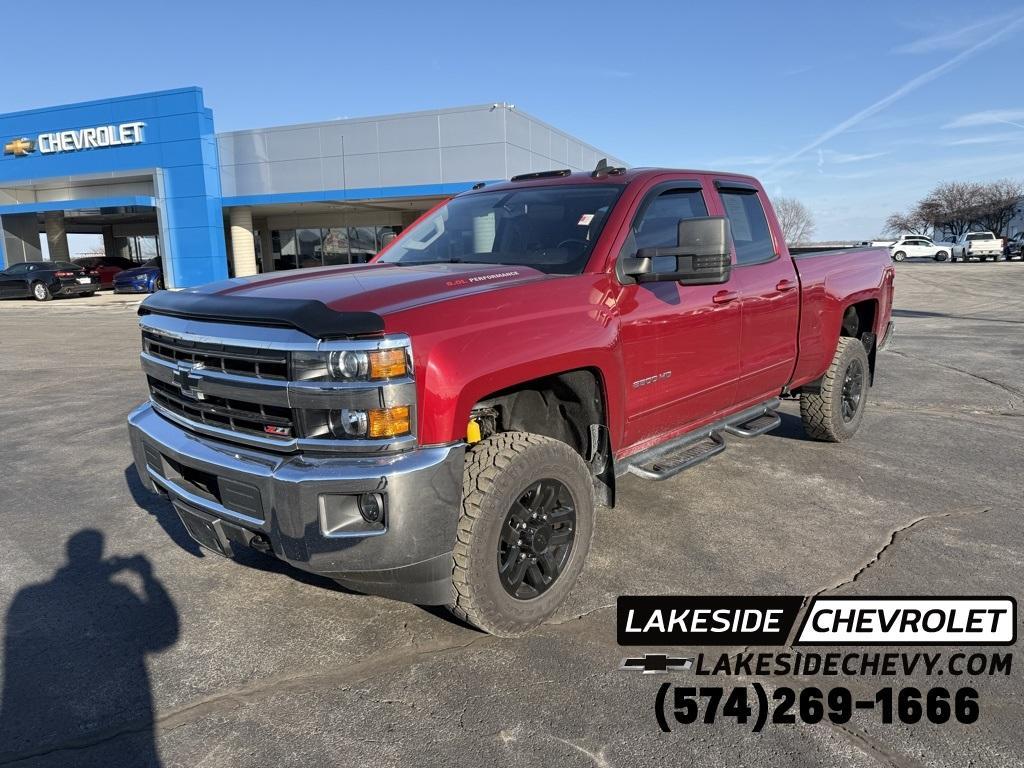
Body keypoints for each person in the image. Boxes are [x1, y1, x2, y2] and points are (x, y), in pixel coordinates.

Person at [0, 530, 178, 766]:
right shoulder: (119, 592)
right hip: (124, 714)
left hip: (37, 725)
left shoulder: (27, 596)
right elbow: (163, 639)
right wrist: (147, 576)